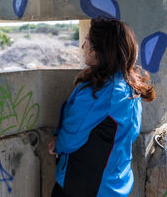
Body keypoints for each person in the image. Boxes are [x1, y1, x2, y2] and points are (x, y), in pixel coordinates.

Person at [48, 16, 155, 197]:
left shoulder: (99, 93)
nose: (83, 46)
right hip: (115, 184)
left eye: (87, 41)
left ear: (101, 50)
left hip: (84, 187)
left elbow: (72, 137)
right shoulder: (130, 85)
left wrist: (57, 144)